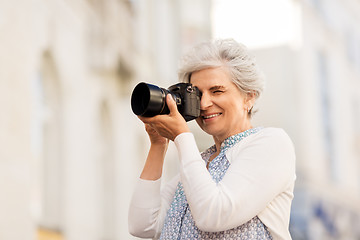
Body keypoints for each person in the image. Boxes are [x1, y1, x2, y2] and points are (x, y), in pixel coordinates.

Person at [128, 39, 296, 240]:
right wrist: (158, 144)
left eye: (217, 91)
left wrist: (182, 135)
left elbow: (214, 214)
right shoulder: (201, 163)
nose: (205, 104)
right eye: (197, 95)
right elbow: (143, 225)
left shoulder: (272, 143)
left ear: (249, 97)